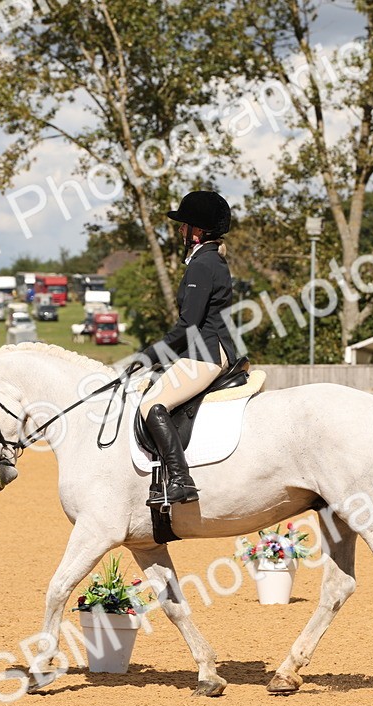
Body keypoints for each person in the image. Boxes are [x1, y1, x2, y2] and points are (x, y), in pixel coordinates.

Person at [136, 190, 237, 508]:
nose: (180, 231)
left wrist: (149, 355)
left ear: (198, 230)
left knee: (151, 405)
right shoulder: (211, 260)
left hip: (204, 354)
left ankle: (181, 480)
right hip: (207, 350)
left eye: (184, 225)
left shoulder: (202, 265)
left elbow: (189, 324)